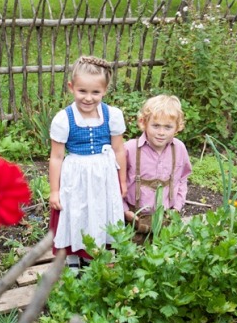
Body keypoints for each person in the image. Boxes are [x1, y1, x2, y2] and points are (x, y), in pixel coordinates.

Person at [48, 56, 127, 271]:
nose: (88, 98)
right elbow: (56, 157)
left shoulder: (112, 115)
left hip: (104, 175)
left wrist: (122, 181)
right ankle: (73, 255)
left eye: (95, 92)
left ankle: (94, 253)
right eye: (82, 91)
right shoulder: (64, 119)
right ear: (71, 87)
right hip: (76, 174)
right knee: (76, 211)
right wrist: (54, 191)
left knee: (98, 211)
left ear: (105, 90)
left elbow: (119, 150)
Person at [123, 94, 192, 234]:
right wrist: (124, 210)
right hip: (134, 219)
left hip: (166, 217)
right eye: (155, 126)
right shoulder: (130, 149)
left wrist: (177, 207)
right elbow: (116, 183)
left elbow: (183, 178)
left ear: (177, 127)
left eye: (168, 127)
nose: (161, 133)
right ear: (144, 123)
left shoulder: (179, 149)